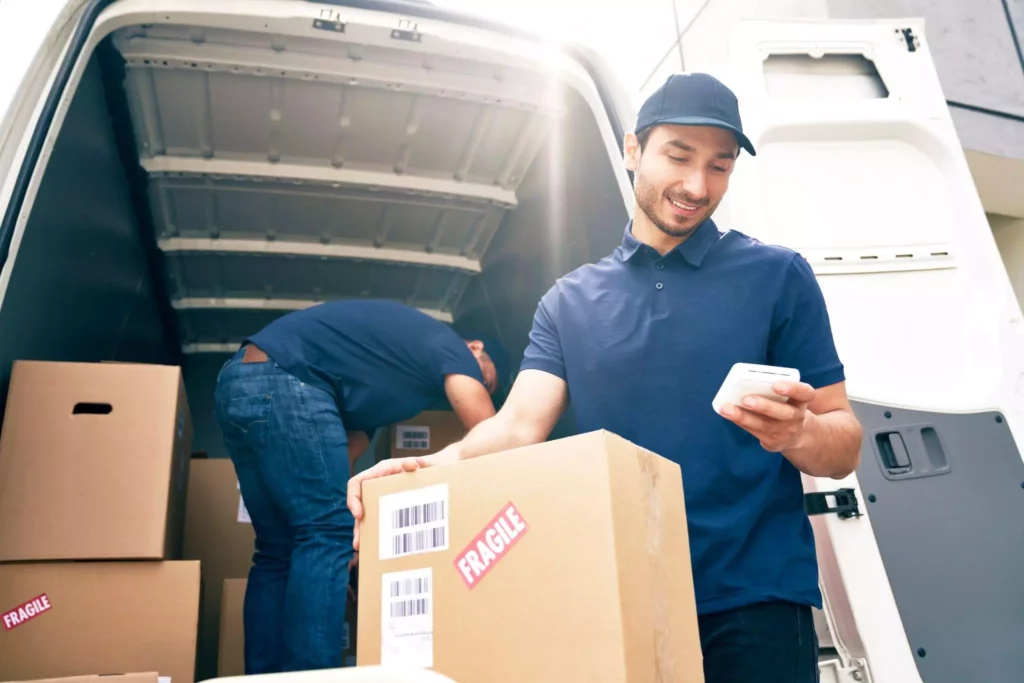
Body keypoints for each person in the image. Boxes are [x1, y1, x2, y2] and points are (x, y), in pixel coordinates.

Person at [347, 73, 863, 683]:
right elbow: (515, 428)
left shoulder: (778, 276)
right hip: (621, 594)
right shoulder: (569, 301)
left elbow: (843, 444)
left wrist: (798, 431)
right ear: (632, 149)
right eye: (679, 156)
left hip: (755, 595)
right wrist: (423, 467)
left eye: (719, 167)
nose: (698, 186)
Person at [214, 298, 506, 674]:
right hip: (289, 378)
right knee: (323, 534)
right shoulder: (451, 347)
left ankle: (262, 677)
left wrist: (344, 552)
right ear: (477, 349)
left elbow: (344, 461)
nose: (479, 384)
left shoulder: (389, 382)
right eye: (486, 378)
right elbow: (492, 435)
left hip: (237, 382)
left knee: (277, 549)